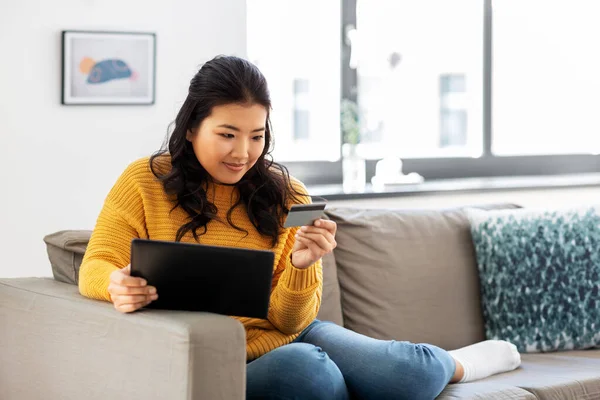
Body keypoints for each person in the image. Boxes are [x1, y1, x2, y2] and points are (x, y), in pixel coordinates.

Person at [78, 55, 521, 400]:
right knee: (309, 371)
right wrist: (116, 283)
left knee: (409, 372)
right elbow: (96, 263)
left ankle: (464, 362)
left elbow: (291, 319)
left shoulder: (287, 193)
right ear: (193, 127)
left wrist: (301, 263)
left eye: (257, 135)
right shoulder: (145, 180)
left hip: (292, 332)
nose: (243, 152)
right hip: (220, 352)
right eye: (227, 134)